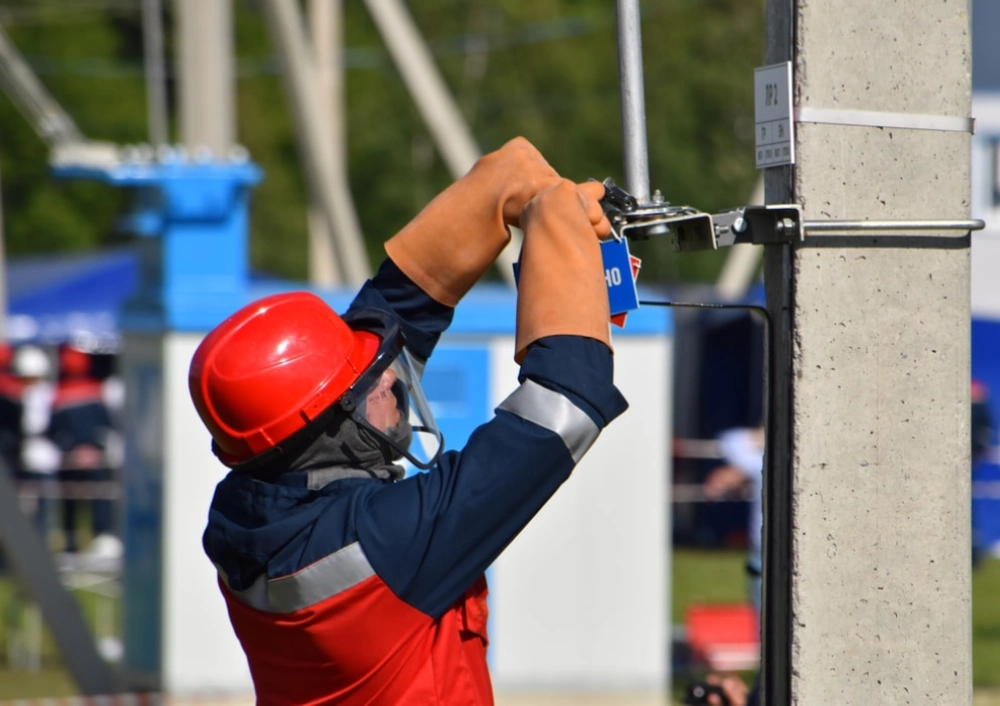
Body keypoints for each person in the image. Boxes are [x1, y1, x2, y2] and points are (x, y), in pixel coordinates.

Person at [189, 137, 627, 704]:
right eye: (368, 382)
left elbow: (383, 326)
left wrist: (502, 184)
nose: (391, 376)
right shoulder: (384, 543)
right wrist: (561, 232)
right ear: (333, 427)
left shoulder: (252, 505)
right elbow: (567, 401)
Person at [46, 344, 121, 558]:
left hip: (87, 458)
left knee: (96, 499)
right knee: (73, 499)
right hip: (77, 458)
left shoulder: (65, 394)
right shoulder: (75, 393)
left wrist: (86, 449)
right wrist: (79, 449)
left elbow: (104, 425)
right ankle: (75, 542)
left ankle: (98, 538)